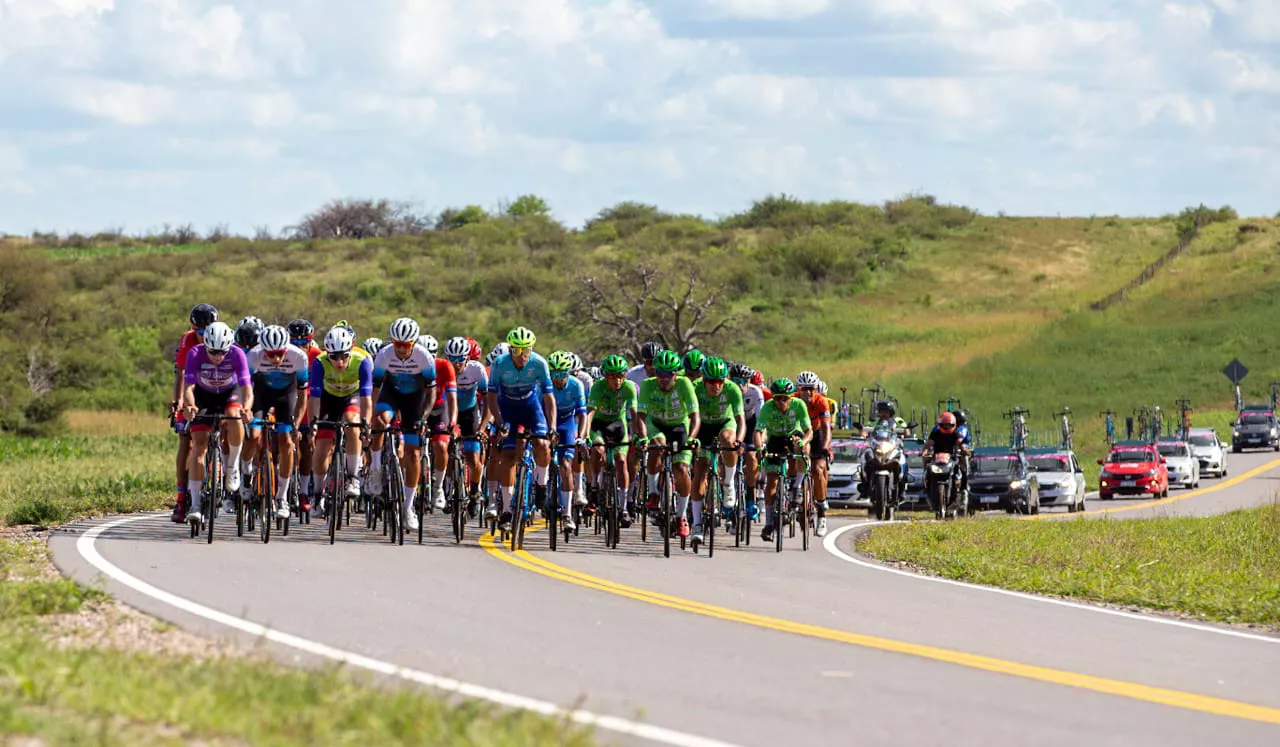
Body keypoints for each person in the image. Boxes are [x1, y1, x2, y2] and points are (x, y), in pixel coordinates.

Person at [179, 321, 253, 527]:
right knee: (199, 446)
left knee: (234, 414)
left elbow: (247, 389)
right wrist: (191, 406)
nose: (218, 357)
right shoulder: (195, 353)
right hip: (204, 396)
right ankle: (194, 506)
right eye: (213, 352)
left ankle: (232, 468)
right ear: (206, 347)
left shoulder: (237, 354)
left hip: (230, 393)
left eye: (222, 352)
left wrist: (247, 408)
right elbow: (189, 387)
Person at [367, 318, 438, 531]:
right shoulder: (384, 354)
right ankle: (377, 468)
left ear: (413, 343)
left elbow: (431, 392)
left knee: (413, 454)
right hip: (391, 395)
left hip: (414, 401)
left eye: (406, 345)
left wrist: (422, 418)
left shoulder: (424, 357)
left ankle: (408, 508)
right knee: (381, 421)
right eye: (397, 343)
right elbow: (376, 388)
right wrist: (373, 413)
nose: (401, 349)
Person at [486, 327, 556, 533]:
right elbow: (491, 397)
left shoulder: (539, 363)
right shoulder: (499, 364)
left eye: (527, 350)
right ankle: (507, 510)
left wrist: (551, 427)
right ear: (510, 350)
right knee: (507, 455)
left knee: (542, 444)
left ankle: (541, 485)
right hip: (507, 409)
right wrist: (499, 423)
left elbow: (548, 398)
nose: (522, 356)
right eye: (517, 351)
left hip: (531, 408)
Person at [242, 325, 309, 519]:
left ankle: (282, 498)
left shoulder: (299, 357)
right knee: (253, 435)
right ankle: (246, 473)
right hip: (261, 395)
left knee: (286, 441)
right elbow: (246, 389)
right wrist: (246, 411)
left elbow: (302, 396)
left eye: (280, 353)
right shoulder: (253, 356)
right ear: (263, 350)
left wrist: (295, 424)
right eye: (271, 355)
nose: (276, 359)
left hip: (285, 397)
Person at [632, 350, 700, 539]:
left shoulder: (685, 384)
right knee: (657, 445)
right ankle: (653, 493)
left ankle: (681, 516)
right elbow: (642, 417)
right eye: (659, 373)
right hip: (657, 424)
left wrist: (693, 438)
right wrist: (643, 437)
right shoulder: (647, 385)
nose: (663, 378)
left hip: (679, 426)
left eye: (668, 374)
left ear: (676, 374)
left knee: (681, 468)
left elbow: (695, 416)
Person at [307, 326, 373, 515]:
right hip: (328, 400)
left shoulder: (362, 361)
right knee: (322, 446)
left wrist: (366, 424)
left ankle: (352, 476)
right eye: (334, 357)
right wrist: (313, 423)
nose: (339, 361)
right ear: (327, 354)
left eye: (344, 356)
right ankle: (318, 494)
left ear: (350, 351)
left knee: (353, 424)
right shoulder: (319, 363)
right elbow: (315, 398)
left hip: (351, 397)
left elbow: (366, 398)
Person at [169, 303, 218, 522]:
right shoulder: (187, 340)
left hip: (215, 389)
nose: (201, 335)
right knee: (186, 440)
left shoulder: (222, 337)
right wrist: (178, 400)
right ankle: (181, 498)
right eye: (197, 330)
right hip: (191, 389)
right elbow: (180, 372)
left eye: (205, 331)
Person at [690, 357, 745, 544]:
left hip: (724, 423)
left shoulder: (732, 389)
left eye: (720, 381)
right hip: (702, 426)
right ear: (704, 380)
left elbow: (740, 421)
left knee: (728, 440)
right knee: (700, 471)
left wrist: (739, 441)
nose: (716, 386)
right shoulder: (695, 388)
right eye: (711, 382)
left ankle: (728, 483)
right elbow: (687, 416)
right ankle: (697, 525)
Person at [583, 354, 638, 527]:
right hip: (599, 425)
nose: (617, 380)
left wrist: (637, 436)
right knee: (598, 450)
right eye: (613, 376)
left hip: (617, 425)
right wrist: (584, 435)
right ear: (605, 376)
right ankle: (593, 486)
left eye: (621, 375)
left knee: (621, 461)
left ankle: (623, 508)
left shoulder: (629, 388)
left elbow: (635, 415)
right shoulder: (598, 387)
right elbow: (590, 413)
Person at [756, 378, 812, 543]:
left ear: (790, 397)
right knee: (771, 483)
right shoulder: (767, 407)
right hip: (775, 440)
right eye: (778, 398)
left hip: (794, 436)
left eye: (785, 398)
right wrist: (759, 448)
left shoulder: (798, 405)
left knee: (800, 448)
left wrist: (804, 442)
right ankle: (768, 524)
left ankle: (797, 487)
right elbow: (758, 431)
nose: (781, 402)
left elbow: (809, 431)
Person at [444, 336, 489, 516]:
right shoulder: (442, 369)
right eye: (452, 360)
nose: (456, 364)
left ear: (468, 358)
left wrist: (482, 428)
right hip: (449, 411)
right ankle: (448, 490)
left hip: (470, 413)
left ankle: (475, 492)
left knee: (473, 458)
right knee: (446, 451)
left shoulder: (477, 370)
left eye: (460, 359)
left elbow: (488, 402)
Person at [548, 351, 587, 530]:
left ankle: (567, 514)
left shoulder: (576, 385)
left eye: (562, 374)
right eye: (554, 374)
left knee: (566, 465)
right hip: (548, 421)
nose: (558, 379)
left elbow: (582, 414)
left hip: (567, 423)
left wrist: (580, 437)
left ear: (568, 373)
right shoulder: (544, 384)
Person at [796, 371, 832, 537]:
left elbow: (826, 428)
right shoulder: (793, 400)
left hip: (817, 435)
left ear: (816, 389)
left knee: (818, 471)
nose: (808, 392)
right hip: (798, 433)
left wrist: (825, 446)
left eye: (812, 388)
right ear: (799, 389)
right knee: (791, 460)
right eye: (805, 388)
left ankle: (821, 513)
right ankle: (792, 490)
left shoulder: (821, 401)